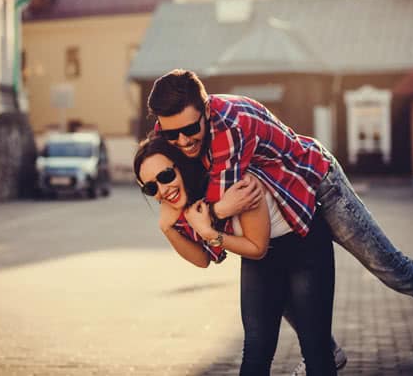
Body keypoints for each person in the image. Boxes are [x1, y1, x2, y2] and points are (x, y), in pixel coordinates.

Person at [147, 68, 413, 375]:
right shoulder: (179, 140)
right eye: (170, 134)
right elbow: (209, 225)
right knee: (276, 279)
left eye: (189, 129)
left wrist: (205, 216)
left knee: (395, 269)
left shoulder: (230, 125)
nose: (181, 141)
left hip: (319, 185)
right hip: (284, 206)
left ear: (206, 109)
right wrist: (186, 217)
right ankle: (327, 351)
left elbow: (215, 226)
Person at [133, 136, 337, 376]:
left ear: (181, 164)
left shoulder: (234, 181)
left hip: (303, 245)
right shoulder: (185, 202)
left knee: (315, 349)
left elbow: (257, 246)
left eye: (166, 176)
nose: (163, 190)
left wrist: (208, 231)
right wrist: (167, 229)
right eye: (151, 188)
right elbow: (202, 259)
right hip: (260, 258)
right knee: (256, 350)